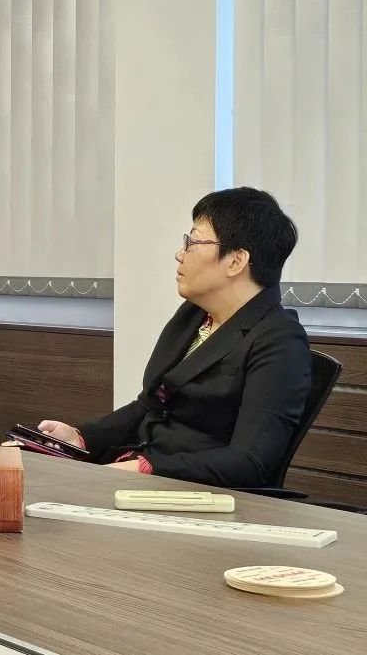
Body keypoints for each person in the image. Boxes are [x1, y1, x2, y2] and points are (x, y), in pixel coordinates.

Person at [34, 187, 310, 488]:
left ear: (236, 261)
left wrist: (148, 468)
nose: (180, 254)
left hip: (193, 493)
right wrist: (81, 438)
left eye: (193, 242)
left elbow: (250, 462)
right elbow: (149, 405)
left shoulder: (280, 341)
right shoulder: (194, 314)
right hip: (143, 474)